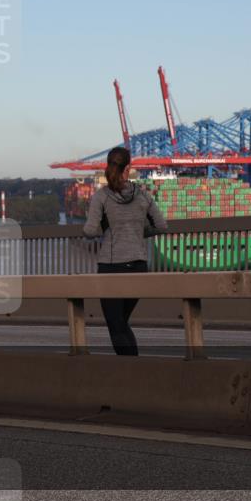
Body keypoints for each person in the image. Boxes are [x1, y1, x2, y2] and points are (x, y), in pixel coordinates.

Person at [83, 146, 167, 356]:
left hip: (112, 267)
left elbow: (90, 231)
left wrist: (106, 228)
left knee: (116, 325)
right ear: (128, 168)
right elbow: (161, 226)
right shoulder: (143, 194)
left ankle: (132, 369)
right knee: (121, 323)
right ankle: (133, 367)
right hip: (139, 267)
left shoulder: (102, 196)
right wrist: (137, 232)